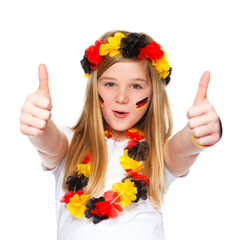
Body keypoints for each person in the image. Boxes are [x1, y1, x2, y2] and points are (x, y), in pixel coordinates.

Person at [20, 30, 222, 240]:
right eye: (110, 84)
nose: (122, 97)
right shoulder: (70, 144)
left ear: (153, 93)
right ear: (94, 87)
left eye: (136, 86)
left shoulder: (158, 151)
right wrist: (39, 126)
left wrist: (196, 135)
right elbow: (48, 142)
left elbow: (181, 149)